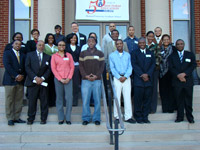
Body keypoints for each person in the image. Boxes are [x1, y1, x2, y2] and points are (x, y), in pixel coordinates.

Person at [169, 39, 196, 123]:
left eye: (181, 44)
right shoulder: (172, 56)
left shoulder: (190, 54)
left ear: (184, 45)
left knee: (188, 99)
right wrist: (178, 75)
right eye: (178, 44)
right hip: (177, 81)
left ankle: (189, 117)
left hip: (187, 81)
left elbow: (193, 65)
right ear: (176, 46)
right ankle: (180, 117)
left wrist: (184, 74)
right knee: (179, 99)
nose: (180, 45)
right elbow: (171, 67)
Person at [79, 37, 104, 125]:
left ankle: (96, 118)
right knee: (86, 100)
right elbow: (81, 66)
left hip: (97, 80)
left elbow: (102, 66)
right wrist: (85, 75)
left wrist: (96, 76)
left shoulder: (100, 53)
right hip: (86, 80)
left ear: (95, 43)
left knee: (97, 100)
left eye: (93, 41)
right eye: (89, 41)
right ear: (87, 43)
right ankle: (86, 118)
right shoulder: (83, 53)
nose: (91, 43)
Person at [25, 40, 51, 125]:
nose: (41, 47)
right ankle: (30, 118)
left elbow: (49, 69)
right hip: (33, 82)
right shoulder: (30, 55)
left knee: (44, 102)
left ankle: (43, 119)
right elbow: (27, 67)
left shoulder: (48, 57)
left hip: (43, 83)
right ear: (36, 46)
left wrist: (42, 78)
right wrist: (36, 78)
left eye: (43, 45)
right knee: (32, 102)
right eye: (39, 45)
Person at [109, 39, 136, 123]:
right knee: (117, 97)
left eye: (121, 43)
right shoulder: (112, 55)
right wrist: (118, 76)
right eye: (118, 44)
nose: (119, 45)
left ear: (123, 45)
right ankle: (117, 116)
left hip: (126, 78)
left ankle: (128, 116)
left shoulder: (128, 55)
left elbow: (130, 67)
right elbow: (112, 68)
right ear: (116, 45)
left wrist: (125, 76)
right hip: (117, 78)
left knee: (127, 97)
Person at [131, 37, 155, 124]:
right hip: (138, 80)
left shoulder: (150, 53)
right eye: (140, 43)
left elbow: (153, 65)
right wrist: (142, 74)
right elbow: (134, 64)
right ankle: (138, 117)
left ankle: (145, 117)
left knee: (147, 100)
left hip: (148, 80)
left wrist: (147, 74)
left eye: (143, 43)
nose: (142, 44)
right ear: (138, 44)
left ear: (145, 43)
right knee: (138, 100)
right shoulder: (134, 53)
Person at [2, 40, 26, 126]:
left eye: (19, 44)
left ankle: (16, 117)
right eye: (16, 44)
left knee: (19, 100)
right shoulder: (7, 53)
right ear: (12, 44)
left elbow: (25, 66)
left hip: (20, 81)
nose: (18, 45)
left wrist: (22, 75)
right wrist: (16, 75)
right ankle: (10, 118)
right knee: (10, 100)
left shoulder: (23, 55)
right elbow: (7, 65)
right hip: (10, 80)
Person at [51, 41, 74, 125]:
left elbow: (72, 67)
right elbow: (53, 69)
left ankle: (68, 117)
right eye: (60, 45)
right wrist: (60, 79)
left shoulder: (69, 55)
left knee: (69, 98)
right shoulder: (54, 56)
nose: (61, 46)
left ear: (65, 46)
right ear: (57, 46)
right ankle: (60, 118)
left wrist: (69, 78)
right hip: (58, 80)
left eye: (63, 45)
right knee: (59, 98)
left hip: (68, 79)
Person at [146, 31, 162, 114]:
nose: (150, 38)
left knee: (153, 89)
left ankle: (152, 108)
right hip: (145, 71)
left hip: (154, 70)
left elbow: (158, 58)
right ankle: (146, 107)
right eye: (149, 36)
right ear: (146, 37)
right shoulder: (143, 46)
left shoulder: (156, 47)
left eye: (152, 37)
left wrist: (151, 67)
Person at [159, 34, 175, 113]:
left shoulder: (173, 49)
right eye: (164, 39)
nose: (166, 41)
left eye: (167, 39)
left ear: (169, 40)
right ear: (162, 40)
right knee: (163, 91)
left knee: (171, 91)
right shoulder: (158, 49)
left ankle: (171, 108)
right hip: (162, 73)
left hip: (171, 72)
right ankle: (165, 108)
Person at [65, 33, 81, 106]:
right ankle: (67, 101)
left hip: (77, 67)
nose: (73, 39)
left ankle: (74, 102)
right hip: (67, 67)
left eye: (75, 38)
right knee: (68, 84)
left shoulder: (79, 47)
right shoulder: (66, 47)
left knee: (76, 85)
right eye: (72, 38)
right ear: (69, 39)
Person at [44, 33, 58, 107]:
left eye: (52, 38)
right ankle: (48, 102)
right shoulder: (45, 46)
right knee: (48, 86)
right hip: (47, 68)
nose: (51, 39)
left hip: (56, 68)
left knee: (54, 86)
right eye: (49, 38)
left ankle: (53, 101)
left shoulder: (56, 47)